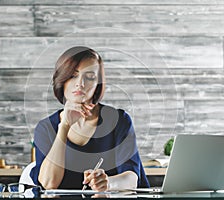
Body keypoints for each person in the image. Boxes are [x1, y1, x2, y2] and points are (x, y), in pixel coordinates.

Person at [30, 46, 150, 191]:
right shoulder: (46, 127)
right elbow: (49, 184)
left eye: (90, 77)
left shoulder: (119, 120)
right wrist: (65, 126)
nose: (80, 83)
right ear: (62, 79)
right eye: (73, 75)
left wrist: (108, 183)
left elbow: (132, 178)